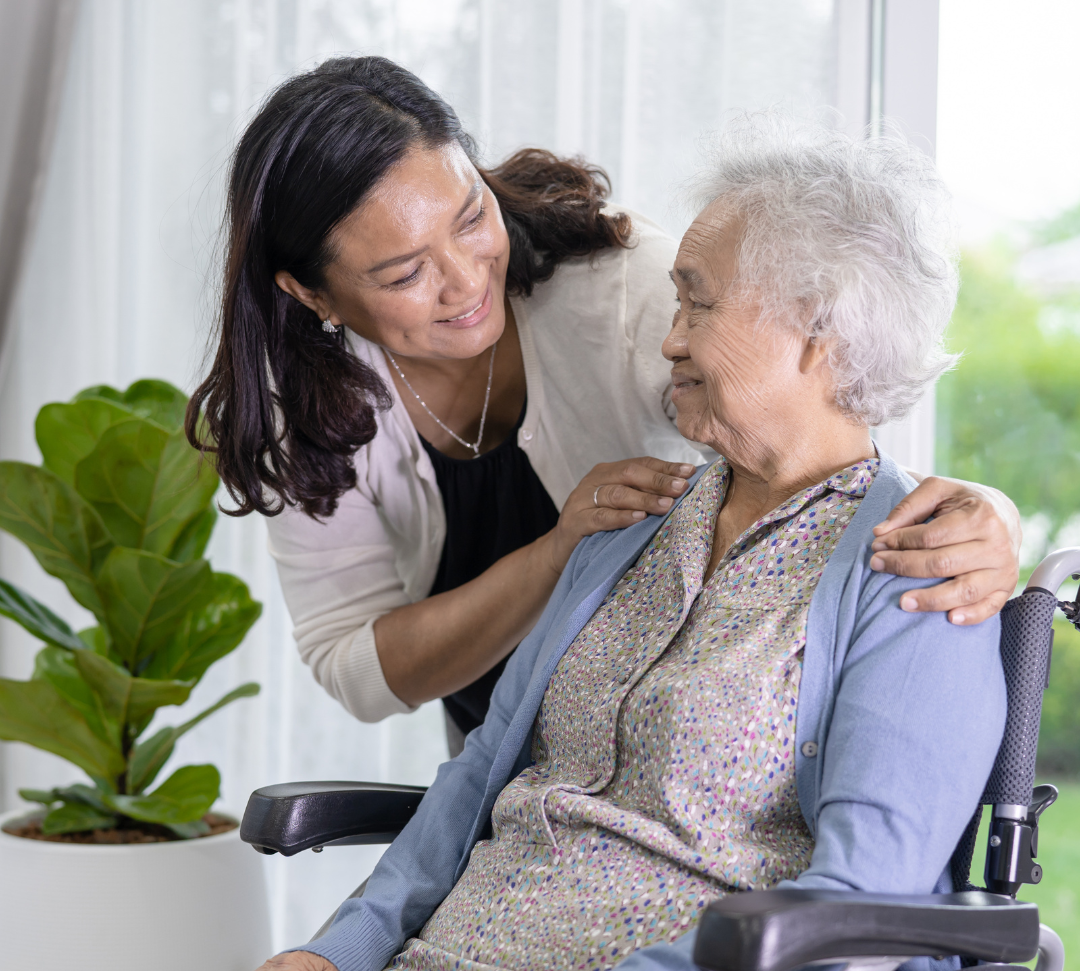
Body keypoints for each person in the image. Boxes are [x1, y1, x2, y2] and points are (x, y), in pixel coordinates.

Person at [141, 114, 1008, 971]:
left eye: (698, 305)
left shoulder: (916, 578)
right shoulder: (629, 524)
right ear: (318, 295)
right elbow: (478, 776)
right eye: (676, 300)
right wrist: (341, 949)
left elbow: (861, 894)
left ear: (818, 330)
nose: (669, 335)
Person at [188, 56, 1020, 755]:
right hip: (517, 771)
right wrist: (557, 555)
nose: (467, 278)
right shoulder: (302, 406)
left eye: (472, 214)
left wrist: (985, 516)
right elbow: (358, 670)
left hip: (676, 752)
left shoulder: (628, 292)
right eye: (405, 274)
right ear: (311, 294)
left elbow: (831, 426)